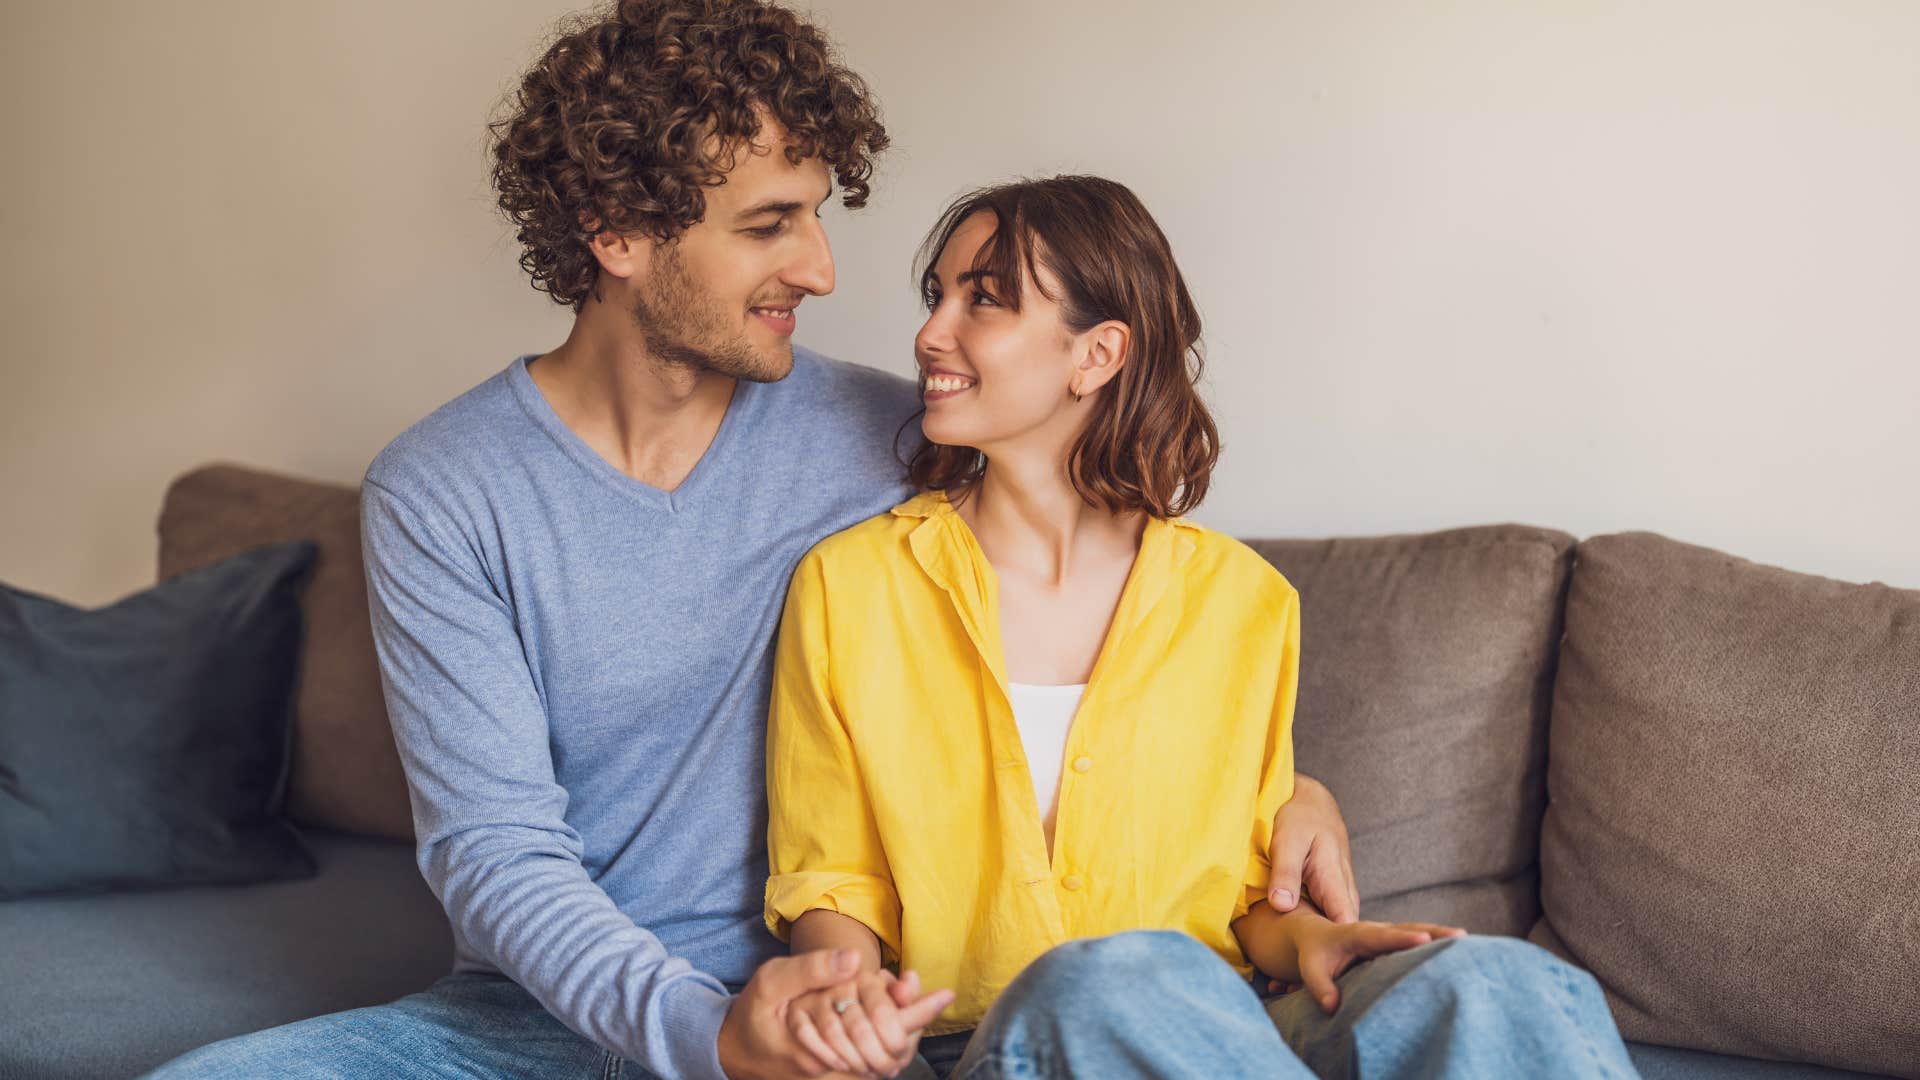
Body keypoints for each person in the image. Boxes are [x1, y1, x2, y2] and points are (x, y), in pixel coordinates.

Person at [141, 5, 1360, 1079]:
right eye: (772, 224)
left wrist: (1288, 796)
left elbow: (1120, 594)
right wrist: (711, 1036)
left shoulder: (898, 435)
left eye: (817, 216)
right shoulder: (443, 490)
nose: (820, 270)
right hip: (547, 1023)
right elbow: (495, 852)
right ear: (618, 232)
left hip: (844, 1018)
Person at [762, 176, 1641, 1080]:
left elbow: (1247, 892)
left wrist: (1310, 938)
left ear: (1097, 354)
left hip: (1224, 1030)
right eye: (936, 295)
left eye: (982, 298)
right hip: (996, 1039)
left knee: (1496, 981)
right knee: (1108, 979)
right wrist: (844, 1002)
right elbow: (832, 879)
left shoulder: (1242, 600)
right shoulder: (851, 585)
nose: (930, 333)